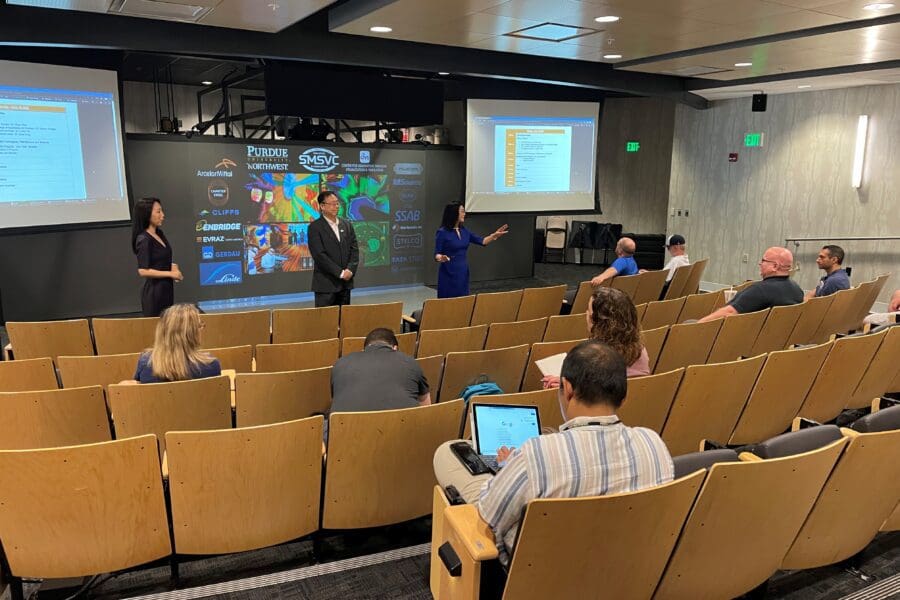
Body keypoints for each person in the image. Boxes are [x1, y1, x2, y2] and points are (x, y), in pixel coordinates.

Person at [433, 340, 673, 564]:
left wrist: (510, 468)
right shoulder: (653, 444)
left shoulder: (536, 454)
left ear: (567, 388)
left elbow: (490, 519)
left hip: (536, 574)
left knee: (449, 451)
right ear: (623, 396)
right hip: (623, 570)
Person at [542, 287, 650, 389]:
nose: (586, 313)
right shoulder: (640, 350)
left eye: (589, 310)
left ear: (598, 322)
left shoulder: (592, 358)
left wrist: (564, 386)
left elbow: (591, 393)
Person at [330, 328, 431, 413]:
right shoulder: (410, 361)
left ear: (364, 350)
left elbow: (337, 397)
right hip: (402, 431)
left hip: (347, 431)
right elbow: (426, 406)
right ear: (395, 348)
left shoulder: (341, 362)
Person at [699, 246, 803, 322]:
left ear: (775, 266)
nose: (760, 264)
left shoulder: (760, 290)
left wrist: (698, 324)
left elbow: (729, 313)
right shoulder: (797, 291)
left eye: (763, 260)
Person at [434, 203, 508, 298]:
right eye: (462, 211)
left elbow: (482, 241)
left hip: (462, 272)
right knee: (448, 303)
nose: (464, 214)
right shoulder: (442, 232)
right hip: (448, 273)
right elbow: (437, 254)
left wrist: (494, 236)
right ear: (454, 213)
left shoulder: (464, 231)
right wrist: (441, 257)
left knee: (463, 301)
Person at [133, 303, 221, 384]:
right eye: (199, 325)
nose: (202, 329)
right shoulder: (211, 366)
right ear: (192, 333)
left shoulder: (145, 363)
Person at [132, 197, 182, 317]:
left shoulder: (159, 234)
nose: (162, 215)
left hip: (166, 290)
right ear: (147, 214)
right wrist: (170, 274)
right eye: (158, 212)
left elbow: (160, 261)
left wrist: (173, 267)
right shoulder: (144, 239)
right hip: (155, 293)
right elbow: (143, 270)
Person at [308, 191, 359, 307]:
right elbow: (319, 255)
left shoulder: (347, 225)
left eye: (337, 203)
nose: (336, 206)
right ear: (322, 206)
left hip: (345, 284)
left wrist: (350, 270)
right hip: (326, 285)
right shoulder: (315, 227)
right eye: (332, 204)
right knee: (326, 322)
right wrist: (340, 273)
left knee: (344, 321)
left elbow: (354, 250)